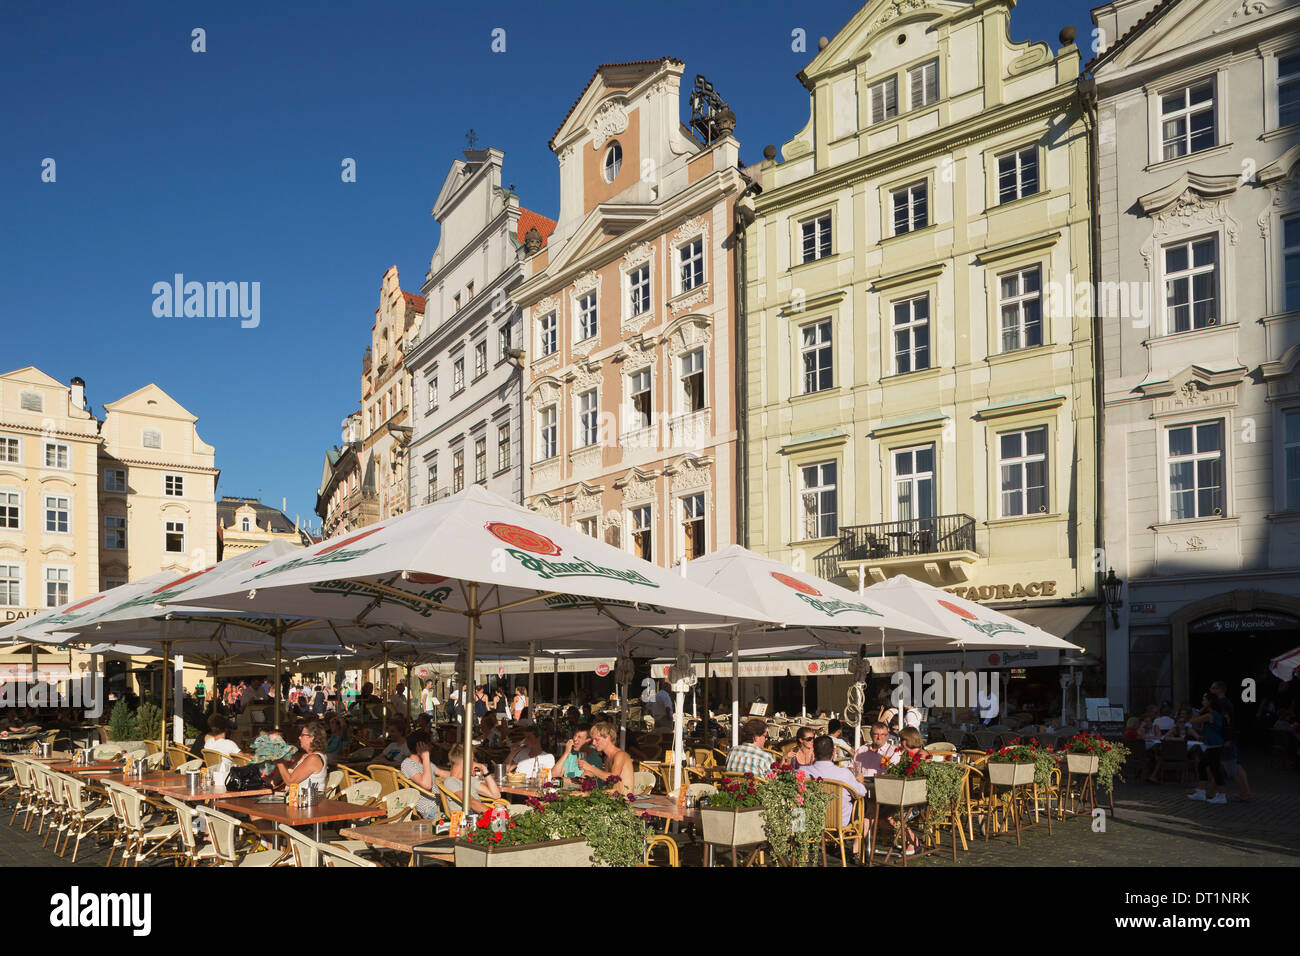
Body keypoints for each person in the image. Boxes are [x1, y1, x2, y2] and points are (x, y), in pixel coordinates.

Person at [802, 735, 866, 830]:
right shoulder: (844, 773)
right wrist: (860, 782)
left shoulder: (802, 772)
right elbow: (862, 792)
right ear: (834, 753)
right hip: (840, 822)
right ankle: (856, 844)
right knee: (863, 804)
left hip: (810, 820)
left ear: (814, 753)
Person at [400, 730, 457, 819]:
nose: (431, 747)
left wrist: (464, 775)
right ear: (420, 746)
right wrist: (426, 756)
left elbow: (441, 772)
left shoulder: (425, 763)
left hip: (442, 803)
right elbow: (426, 785)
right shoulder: (408, 764)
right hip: (430, 809)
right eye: (429, 744)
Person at [1187, 692, 1228, 804]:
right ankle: (1201, 791)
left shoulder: (1209, 715)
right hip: (1212, 744)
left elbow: (1192, 721)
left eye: (1204, 700)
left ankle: (1221, 795)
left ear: (1209, 702)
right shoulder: (1216, 714)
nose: (1202, 702)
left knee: (1215, 768)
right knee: (1202, 765)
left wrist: (1200, 710)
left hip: (1214, 744)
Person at [444, 743, 503, 814]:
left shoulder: (468, 779)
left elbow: (496, 795)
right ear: (466, 760)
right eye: (472, 760)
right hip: (469, 821)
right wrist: (496, 815)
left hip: (482, 816)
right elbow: (471, 802)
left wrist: (484, 769)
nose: (474, 762)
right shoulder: (450, 781)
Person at [275, 722, 329, 794]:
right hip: (298, 800)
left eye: (302, 735)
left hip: (309, 802)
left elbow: (291, 782)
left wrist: (278, 760)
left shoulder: (314, 759)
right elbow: (289, 772)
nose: (299, 737)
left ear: (311, 738)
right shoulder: (307, 756)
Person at [579, 721, 633, 793]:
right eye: (593, 739)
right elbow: (610, 785)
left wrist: (590, 768)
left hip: (623, 801)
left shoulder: (620, 755)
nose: (593, 743)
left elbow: (613, 779)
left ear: (608, 738)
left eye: (597, 739)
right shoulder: (607, 758)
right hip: (613, 799)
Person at [200, 715, 243, 782]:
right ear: (226, 729)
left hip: (212, 775)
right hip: (226, 776)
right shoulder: (229, 744)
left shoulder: (208, 743)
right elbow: (242, 759)